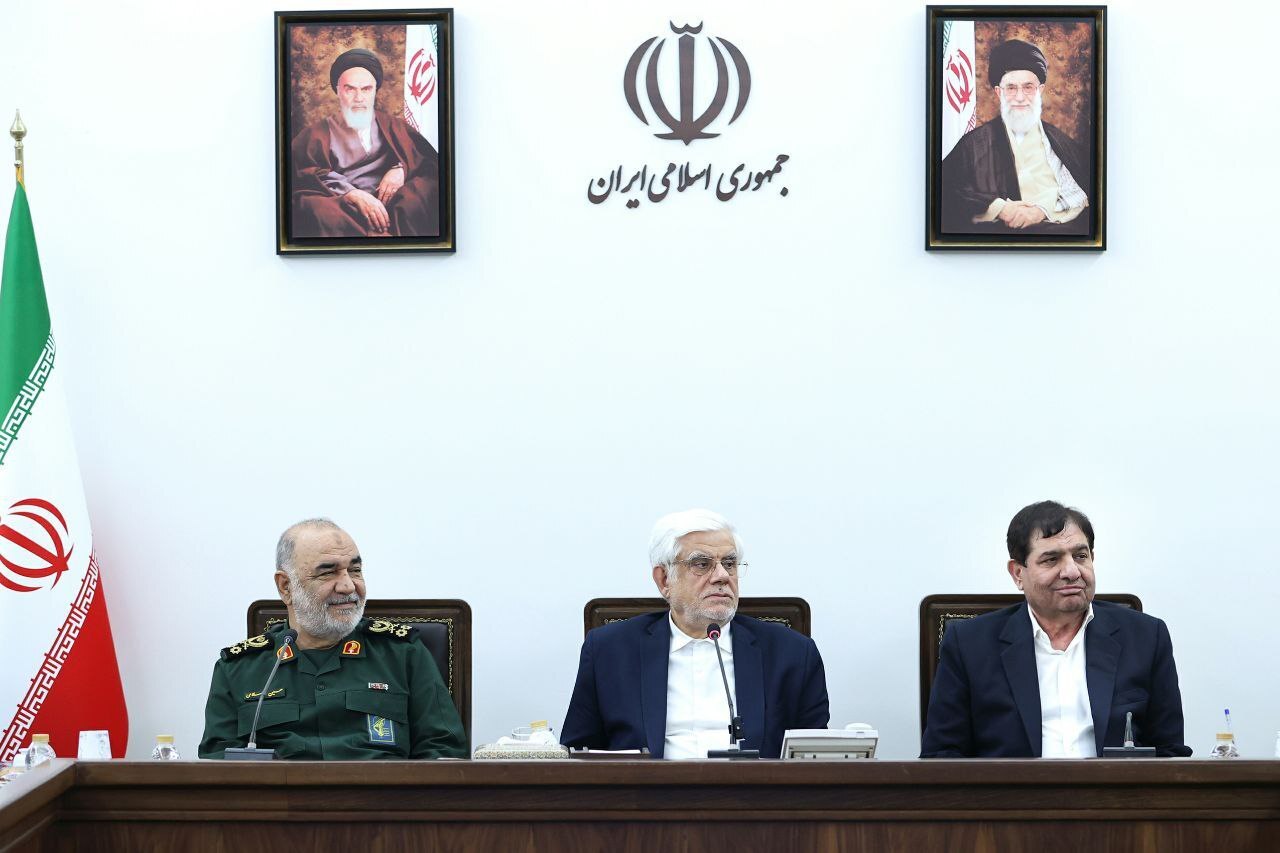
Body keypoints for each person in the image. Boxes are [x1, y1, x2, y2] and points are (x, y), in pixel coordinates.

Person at [921, 501, 1191, 758]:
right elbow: (942, 756)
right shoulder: (970, 645)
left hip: (1114, 790)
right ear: (1018, 573)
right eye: (1051, 560)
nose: (1072, 571)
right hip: (1012, 791)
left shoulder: (1145, 637)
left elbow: (1169, 753)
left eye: (1081, 556)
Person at [560, 508, 829, 758]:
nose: (722, 576)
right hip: (648, 792)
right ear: (664, 580)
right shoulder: (609, 651)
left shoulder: (793, 654)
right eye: (701, 564)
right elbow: (577, 754)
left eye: (730, 563)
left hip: (751, 793)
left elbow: (815, 760)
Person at [198, 518, 466, 759]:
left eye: (355, 570)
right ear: (286, 586)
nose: (348, 585)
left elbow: (444, 753)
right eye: (328, 572)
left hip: (381, 798)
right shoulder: (238, 670)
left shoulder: (403, 653)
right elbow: (218, 772)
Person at [941, 39, 1090, 235]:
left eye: (1028, 87)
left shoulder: (1059, 142)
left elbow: (1080, 190)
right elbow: (945, 192)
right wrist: (999, 208)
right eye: (1011, 88)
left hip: (1058, 231)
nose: (1020, 97)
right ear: (998, 92)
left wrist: (1040, 211)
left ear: (1040, 90)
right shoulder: (973, 144)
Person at [290, 48, 441, 238]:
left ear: (375, 91)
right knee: (314, 208)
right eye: (350, 89)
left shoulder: (393, 125)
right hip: (344, 205)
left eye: (366, 89)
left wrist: (401, 170)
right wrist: (353, 194)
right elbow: (305, 174)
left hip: (391, 202)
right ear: (338, 91)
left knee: (422, 191)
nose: (359, 98)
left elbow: (424, 160)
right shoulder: (315, 134)